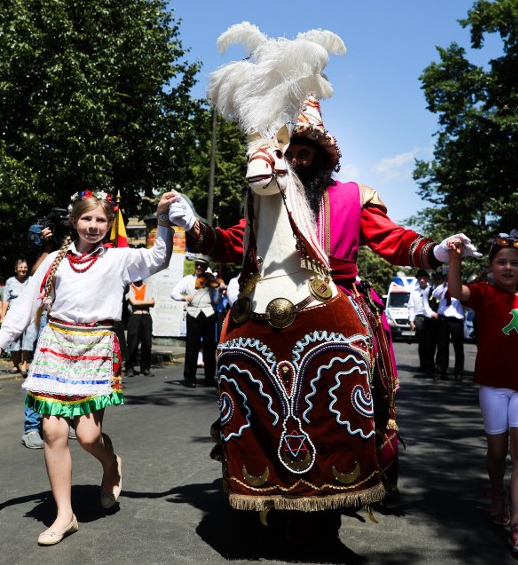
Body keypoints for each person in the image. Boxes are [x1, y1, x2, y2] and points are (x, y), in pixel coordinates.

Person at [169, 94, 478, 493]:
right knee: (234, 350)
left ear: (322, 158)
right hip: (271, 299)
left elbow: (394, 240)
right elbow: (231, 243)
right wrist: (193, 225)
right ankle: (252, 460)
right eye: (289, 153)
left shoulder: (352, 196)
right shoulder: (269, 202)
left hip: (341, 293)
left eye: (303, 153)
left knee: (372, 369)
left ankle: (372, 464)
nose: (295, 160)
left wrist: (436, 251)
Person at [0, 189, 176, 546]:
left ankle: (110, 463)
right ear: (73, 222)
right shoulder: (55, 261)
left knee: (88, 437)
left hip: (95, 347)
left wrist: (162, 217)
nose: (93, 225)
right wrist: (0, 341)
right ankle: (64, 515)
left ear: (107, 224)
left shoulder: (119, 258)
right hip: (55, 347)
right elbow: (26, 305)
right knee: (53, 434)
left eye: (100, 220)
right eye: (86, 219)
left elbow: (160, 257)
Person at [447, 231, 518, 558]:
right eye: (501, 262)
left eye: (514, 263)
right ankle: (497, 492)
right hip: (492, 386)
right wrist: (454, 257)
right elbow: (454, 290)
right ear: (491, 266)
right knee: (497, 452)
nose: (508, 267)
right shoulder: (483, 294)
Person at [169, 256, 220, 387]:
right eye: (197, 265)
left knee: (209, 347)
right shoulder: (187, 279)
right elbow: (173, 293)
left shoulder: (210, 280)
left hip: (208, 314)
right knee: (192, 347)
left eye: (201, 266)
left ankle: (209, 378)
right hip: (193, 314)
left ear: (205, 268)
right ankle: (190, 378)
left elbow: (215, 300)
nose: (198, 268)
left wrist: (217, 289)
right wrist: (184, 297)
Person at [1, 259, 38, 376]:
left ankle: (24, 364)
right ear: (16, 269)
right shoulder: (10, 281)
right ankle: (15, 364)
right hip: (14, 313)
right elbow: (5, 299)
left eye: (25, 267)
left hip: (29, 313)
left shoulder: (32, 281)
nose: (23, 270)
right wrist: (3, 316)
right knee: (14, 339)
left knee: (29, 338)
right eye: (21, 267)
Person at [432, 269, 466, 381]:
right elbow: (435, 294)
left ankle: (459, 372)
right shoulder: (443, 288)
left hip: (456, 320)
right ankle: (441, 371)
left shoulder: (462, 288)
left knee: (458, 348)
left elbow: (465, 298)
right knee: (442, 347)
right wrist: (444, 283)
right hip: (443, 319)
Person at [408, 268, 437, 376]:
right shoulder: (414, 292)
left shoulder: (432, 290)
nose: (422, 280)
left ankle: (430, 364)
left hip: (429, 318)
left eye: (424, 278)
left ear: (427, 279)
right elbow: (411, 307)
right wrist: (411, 321)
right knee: (422, 342)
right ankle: (423, 364)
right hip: (419, 317)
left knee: (430, 343)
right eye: (420, 278)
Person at [125, 279, 154, 377]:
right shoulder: (129, 287)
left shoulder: (148, 287)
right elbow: (133, 303)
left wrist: (140, 302)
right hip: (135, 317)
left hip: (146, 317)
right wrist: (147, 302)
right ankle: (130, 367)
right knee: (132, 343)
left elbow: (153, 303)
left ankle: (145, 367)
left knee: (147, 343)